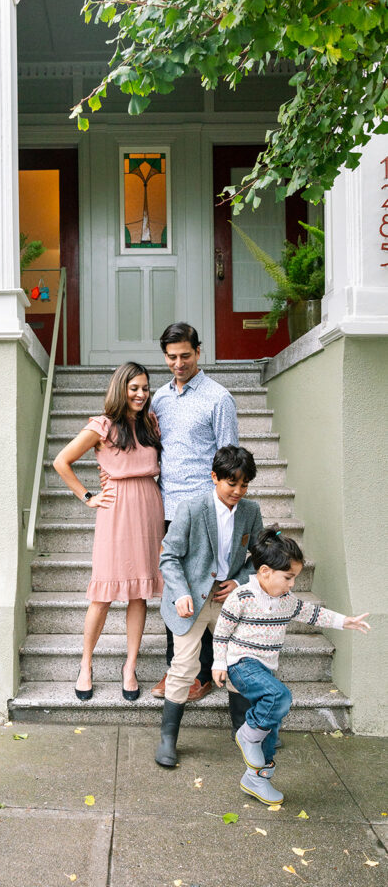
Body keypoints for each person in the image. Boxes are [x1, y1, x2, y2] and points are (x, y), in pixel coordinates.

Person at [212, 528, 370, 804]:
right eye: (288, 577)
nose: (292, 584)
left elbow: (314, 614)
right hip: (241, 663)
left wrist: (346, 621)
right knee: (280, 696)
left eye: (294, 578)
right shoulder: (242, 597)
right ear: (264, 571)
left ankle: (256, 780)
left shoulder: (287, 602)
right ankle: (247, 735)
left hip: (265, 669)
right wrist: (218, 663)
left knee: (271, 731)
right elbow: (222, 634)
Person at [53, 361, 164, 702]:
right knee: (101, 595)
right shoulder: (101, 426)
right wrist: (88, 496)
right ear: (121, 389)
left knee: (138, 593)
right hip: (115, 509)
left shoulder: (151, 424)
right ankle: (85, 663)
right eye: (134, 388)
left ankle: (130, 666)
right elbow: (62, 461)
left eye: (145, 388)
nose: (141, 394)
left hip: (148, 506)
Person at [155, 445, 262, 768]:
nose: (238, 491)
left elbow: (259, 557)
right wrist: (180, 592)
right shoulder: (191, 508)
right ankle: (168, 739)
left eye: (244, 485)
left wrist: (240, 581)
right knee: (184, 665)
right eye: (232, 484)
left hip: (228, 598)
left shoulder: (250, 511)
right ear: (214, 477)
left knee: (240, 661)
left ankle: (242, 729)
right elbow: (168, 557)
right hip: (191, 598)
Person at [150, 322, 239, 703]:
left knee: (204, 590)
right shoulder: (159, 398)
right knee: (177, 590)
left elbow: (230, 457)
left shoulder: (219, 399)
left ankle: (201, 674)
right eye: (172, 357)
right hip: (170, 509)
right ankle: (177, 670)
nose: (179, 363)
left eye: (186, 355)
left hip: (206, 510)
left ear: (198, 352)